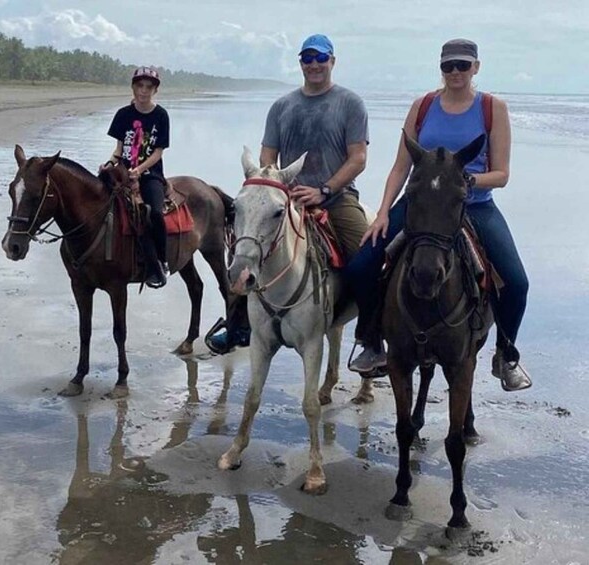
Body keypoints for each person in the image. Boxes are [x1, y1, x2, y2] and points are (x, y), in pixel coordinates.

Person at [346, 38, 531, 391]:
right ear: (441, 68)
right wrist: (384, 211)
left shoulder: (493, 108)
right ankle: (371, 342)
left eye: (463, 65)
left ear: (476, 67)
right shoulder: (423, 106)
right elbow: (401, 167)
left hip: (474, 205)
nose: (456, 72)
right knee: (361, 265)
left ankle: (506, 354)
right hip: (420, 205)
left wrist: (462, 180)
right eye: (449, 66)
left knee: (517, 282)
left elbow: (502, 174)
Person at [207, 33, 371, 354]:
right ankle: (238, 325)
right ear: (300, 63)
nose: (314, 65)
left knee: (367, 259)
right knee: (244, 251)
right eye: (307, 59)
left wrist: (324, 190)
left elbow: (358, 159)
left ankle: (371, 335)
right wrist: (276, 191)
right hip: (285, 199)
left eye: (320, 58)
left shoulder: (350, 103)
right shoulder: (282, 107)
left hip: (337, 199)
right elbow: (267, 156)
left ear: (332, 62)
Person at [101, 66, 170, 288]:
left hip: (150, 174)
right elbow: (119, 149)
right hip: (122, 171)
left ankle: (160, 261)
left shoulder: (160, 115)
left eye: (148, 87)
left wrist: (139, 170)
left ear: (155, 90)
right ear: (133, 87)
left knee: (156, 214)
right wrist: (110, 164)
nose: (143, 91)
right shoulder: (123, 115)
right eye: (139, 86)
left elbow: (158, 151)